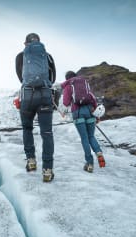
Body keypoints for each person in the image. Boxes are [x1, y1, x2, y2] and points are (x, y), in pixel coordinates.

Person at [15, 33, 56, 182]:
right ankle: (47, 170)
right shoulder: (47, 55)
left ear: (25, 44)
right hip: (45, 94)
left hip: (27, 96)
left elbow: (20, 77)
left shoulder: (20, 56)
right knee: (47, 132)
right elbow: (53, 77)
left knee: (27, 129)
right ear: (39, 42)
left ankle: (31, 161)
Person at [61, 71, 106, 173]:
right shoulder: (84, 83)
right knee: (91, 136)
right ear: (75, 76)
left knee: (84, 138)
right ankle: (98, 152)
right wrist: (96, 115)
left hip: (78, 113)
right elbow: (92, 98)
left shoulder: (69, 85)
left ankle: (89, 163)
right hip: (90, 111)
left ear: (67, 78)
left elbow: (66, 102)